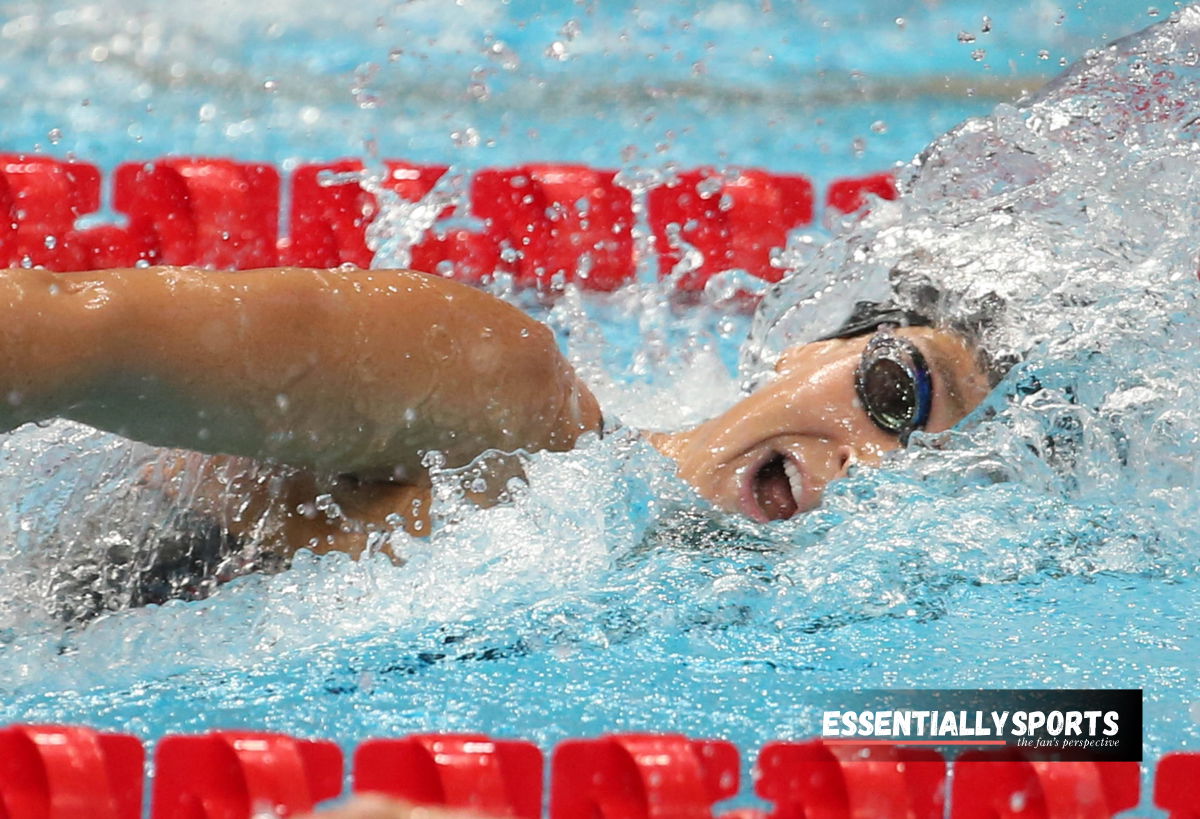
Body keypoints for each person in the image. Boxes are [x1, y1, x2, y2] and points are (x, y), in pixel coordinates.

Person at [0, 265, 991, 566]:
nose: (872, 463)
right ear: (807, 350)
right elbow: (58, 340)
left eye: (934, 471)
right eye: (896, 396)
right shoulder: (501, 398)